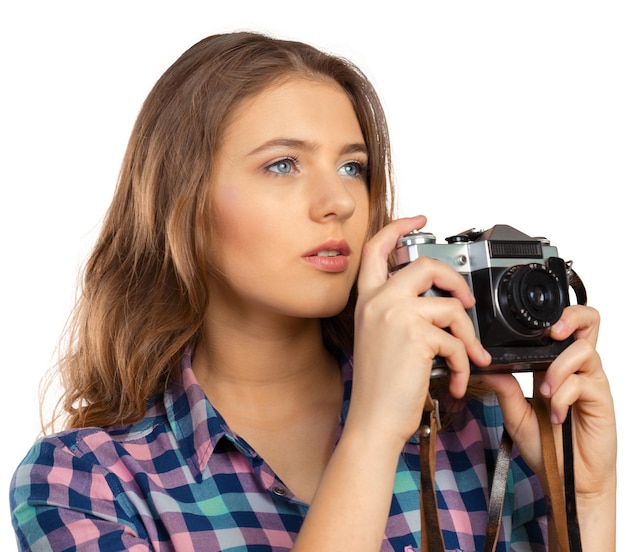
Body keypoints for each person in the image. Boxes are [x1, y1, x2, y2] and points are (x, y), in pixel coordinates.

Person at [10, 32, 616, 551]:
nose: (341, 202)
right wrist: (374, 432)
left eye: (353, 167)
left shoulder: (478, 424)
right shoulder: (83, 483)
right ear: (183, 205)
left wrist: (587, 496)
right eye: (283, 164)